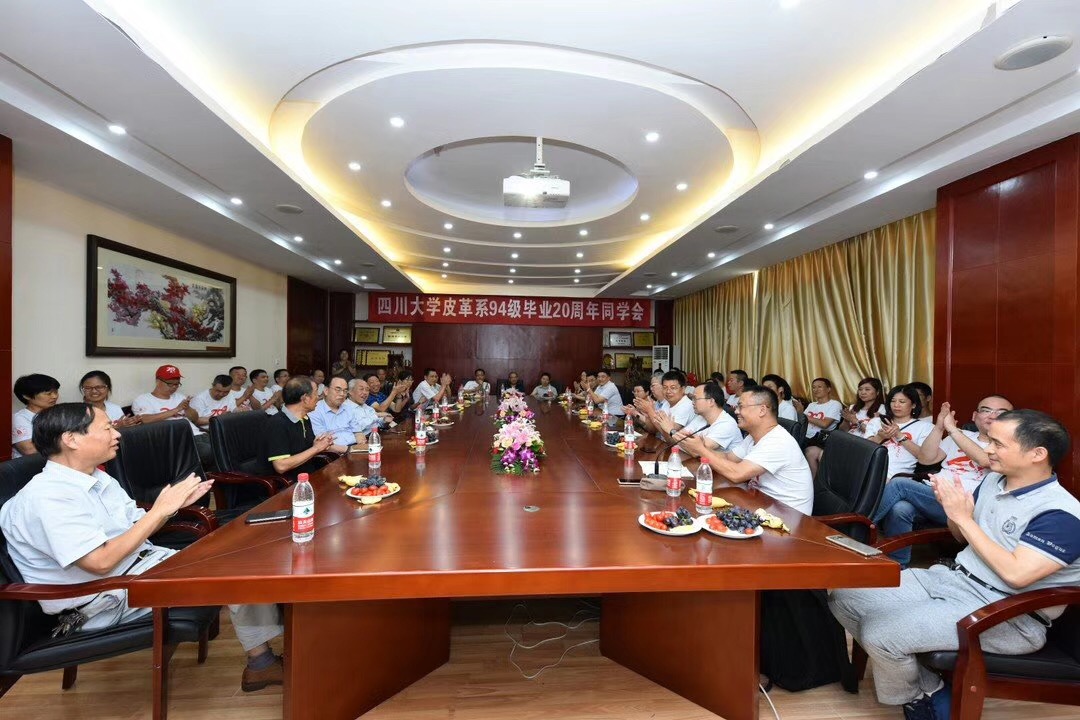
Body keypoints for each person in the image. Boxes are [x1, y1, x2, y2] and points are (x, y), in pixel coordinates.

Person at [0, 403, 285, 692]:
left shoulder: (97, 477)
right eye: (107, 428)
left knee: (246, 557)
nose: (117, 434)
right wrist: (159, 511)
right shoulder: (48, 498)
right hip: (105, 598)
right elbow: (100, 562)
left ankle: (274, 653)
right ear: (71, 439)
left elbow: (136, 526)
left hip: (142, 568)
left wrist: (171, 509)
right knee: (240, 575)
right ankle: (262, 664)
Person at [830, 409, 1080, 720]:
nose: (987, 449)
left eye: (998, 444)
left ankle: (919, 699)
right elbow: (962, 537)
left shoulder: (1060, 514)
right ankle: (930, 687)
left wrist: (964, 517)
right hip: (954, 581)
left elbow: (1017, 575)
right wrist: (953, 512)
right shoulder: (994, 481)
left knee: (881, 633)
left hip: (1008, 614)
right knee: (844, 595)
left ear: (1037, 454)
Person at [873, 395, 1014, 566]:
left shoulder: (1011, 445)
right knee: (900, 509)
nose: (992, 416)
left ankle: (858, 530)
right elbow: (926, 459)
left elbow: (986, 461)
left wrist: (953, 430)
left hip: (965, 505)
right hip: (933, 496)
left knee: (899, 484)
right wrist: (939, 427)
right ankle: (897, 565)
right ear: (974, 416)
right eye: (986, 410)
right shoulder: (963, 435)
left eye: (1001, 413)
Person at [682, 386, 814, 514]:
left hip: (786, 514)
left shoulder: (778, 441)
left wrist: (701, 450)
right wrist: (700, 447)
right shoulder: (753, 436)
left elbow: (737, 474)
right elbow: (728, 458)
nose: (736, 411)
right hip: (760, 501)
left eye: (741, 406)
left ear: (762, 410)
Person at [130, 365, 214, 470]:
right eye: (170, 384)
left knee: (226, 447)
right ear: (158, 381)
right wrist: (176, 410)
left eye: (177, 384)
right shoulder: (143, 399)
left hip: (198, 434)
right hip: (175, 440)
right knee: (209, 451)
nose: (174, 387)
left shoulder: (180, 397)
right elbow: (144, 420)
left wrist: (187, 408)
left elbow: (195, 419)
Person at [265, 376, 335, 482]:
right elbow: (281, 466)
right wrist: (316, 448)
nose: (318, 397)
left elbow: (302, 450)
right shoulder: (277, 423)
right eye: (316, 393)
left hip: (308, 477)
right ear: (305, 398)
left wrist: (319, 444)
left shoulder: (304, 418)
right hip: (285, 485)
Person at [862, 385, 936, 481]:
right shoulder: (876, 422)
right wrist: (879, 437)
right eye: (893, 401)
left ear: (913, 405)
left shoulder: (926, 427)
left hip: (896, 477)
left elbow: (924, 456)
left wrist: (899, 435)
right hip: (868, 470)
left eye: (902, 401)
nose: (896, 405)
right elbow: (864, 450)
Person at [666, 382, 742, 454]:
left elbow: (697, 452)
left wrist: (671, 430)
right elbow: (678, 440)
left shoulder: (726, 424)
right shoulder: (701, 417)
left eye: (695, 398)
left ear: (711, 401)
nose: (692, 402)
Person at [309, 377, 368, 453]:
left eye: (345, 391)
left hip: (355, 449)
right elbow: (322, 444)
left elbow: (358, 432)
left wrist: (361, 446)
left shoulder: (348, 408)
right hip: (335, 454)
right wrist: (350, 450)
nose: (342, 394)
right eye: (338, 390)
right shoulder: (315, 411)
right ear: (326, 391)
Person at [801, 377, 844, 477]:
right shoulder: (811, 405)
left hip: (819, 439)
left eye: (819, 387)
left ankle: (812, 483)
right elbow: (802, 421)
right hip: (804, 436)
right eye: (814, 387)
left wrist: (803, 415)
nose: (816, 390)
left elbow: (825, 424)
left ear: (828, 389)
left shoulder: (835, 404)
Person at [636, 370, 697, 438]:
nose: (668, 391)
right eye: (665, 387)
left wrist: (650, 410)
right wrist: (648, 413)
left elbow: (670, 436)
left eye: (673, 388)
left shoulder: (686, 405)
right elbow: (653, 429)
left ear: (683, 389)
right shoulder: (667, 403)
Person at [12, 373, 60, 457]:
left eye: (56, 392)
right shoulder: (19, 418)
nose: (54, 396)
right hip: (32, 464)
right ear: (26, 396)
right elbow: (30, 450)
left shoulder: (58, 414)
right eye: (48, 393)